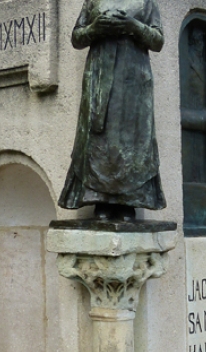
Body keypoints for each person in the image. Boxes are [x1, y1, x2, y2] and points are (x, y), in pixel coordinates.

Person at [59, 0, 166, 221]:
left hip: (134, 82)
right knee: (99, 139)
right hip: (99, 78)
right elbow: (77, 37)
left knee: (132, 140)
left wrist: (133, 26)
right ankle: (100, 200)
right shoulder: (93, 1)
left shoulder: (146, 2)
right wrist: (95, 28)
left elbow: (158, 41)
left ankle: (129, 201)